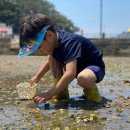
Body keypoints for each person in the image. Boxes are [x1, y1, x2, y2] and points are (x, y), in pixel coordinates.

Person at [19, 13, 105, 104]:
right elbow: (49, 62)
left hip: (93, 68)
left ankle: (94, 97)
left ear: (50, 35)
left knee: (83, 78)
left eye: (39, 46)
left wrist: (49, 94)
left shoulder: (70, 42)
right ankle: (61, 94)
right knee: (51, 56)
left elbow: (71, 73)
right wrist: (37, 77)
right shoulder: (54, 43)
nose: (40, 51)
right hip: (75, 67)